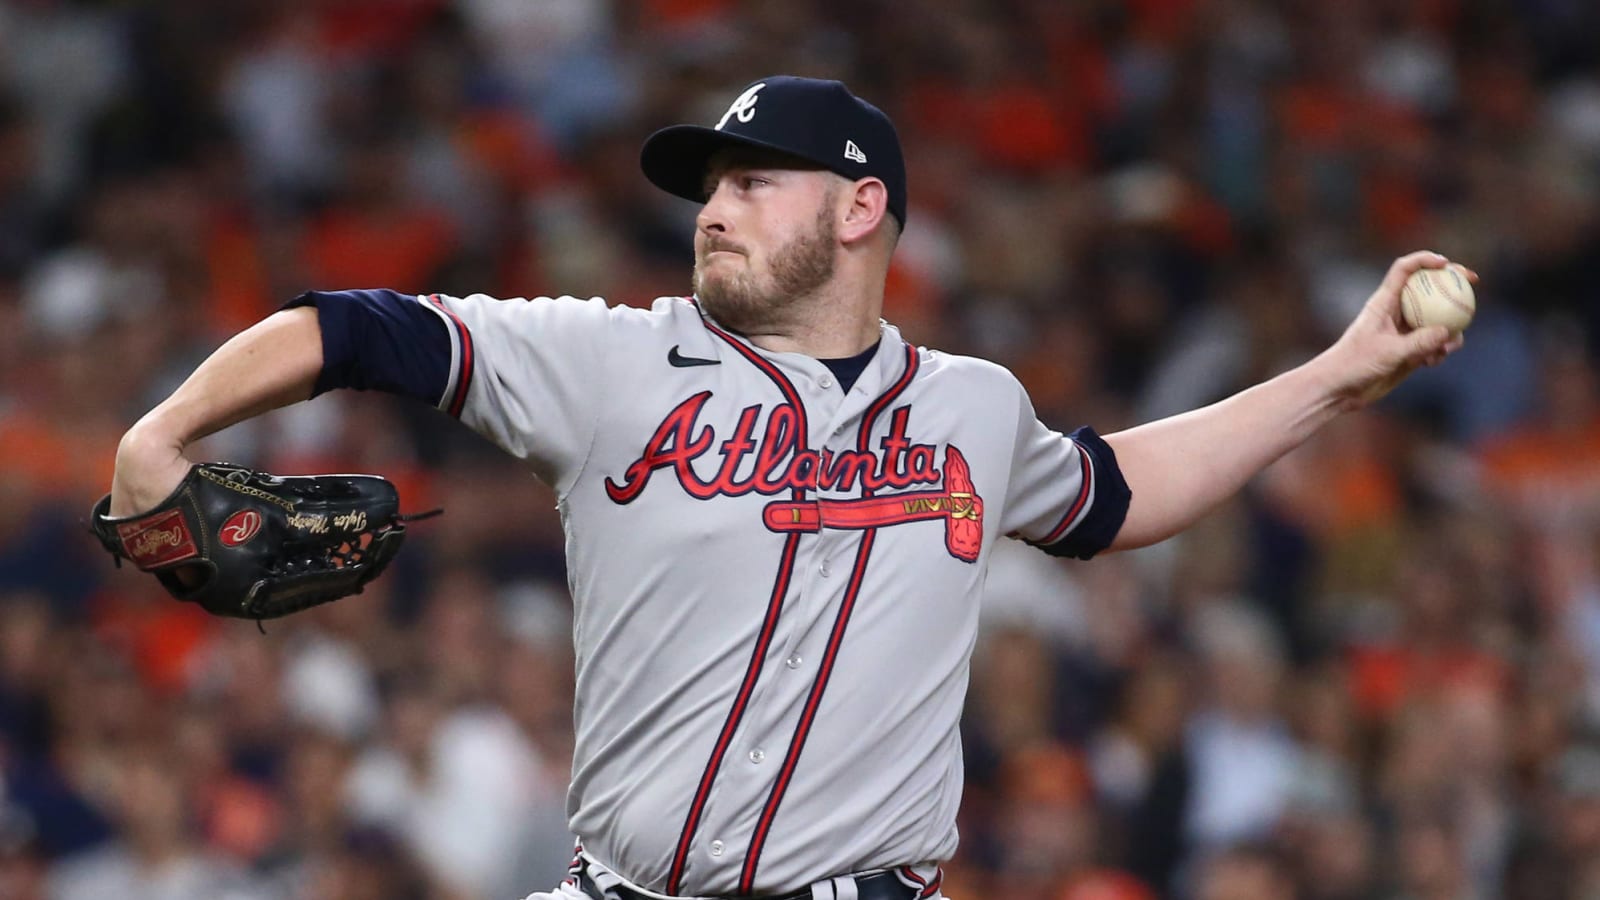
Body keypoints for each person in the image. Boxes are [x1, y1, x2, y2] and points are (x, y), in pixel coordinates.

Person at [107, 76, 1466, 900]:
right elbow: (357, 328)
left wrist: (1341, 375)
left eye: (755, 185)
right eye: (710, 188)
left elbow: (1114, 494)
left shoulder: (973, 409)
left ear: (859, 209)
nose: (714, 209)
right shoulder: (613, 361)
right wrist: (161, 433)